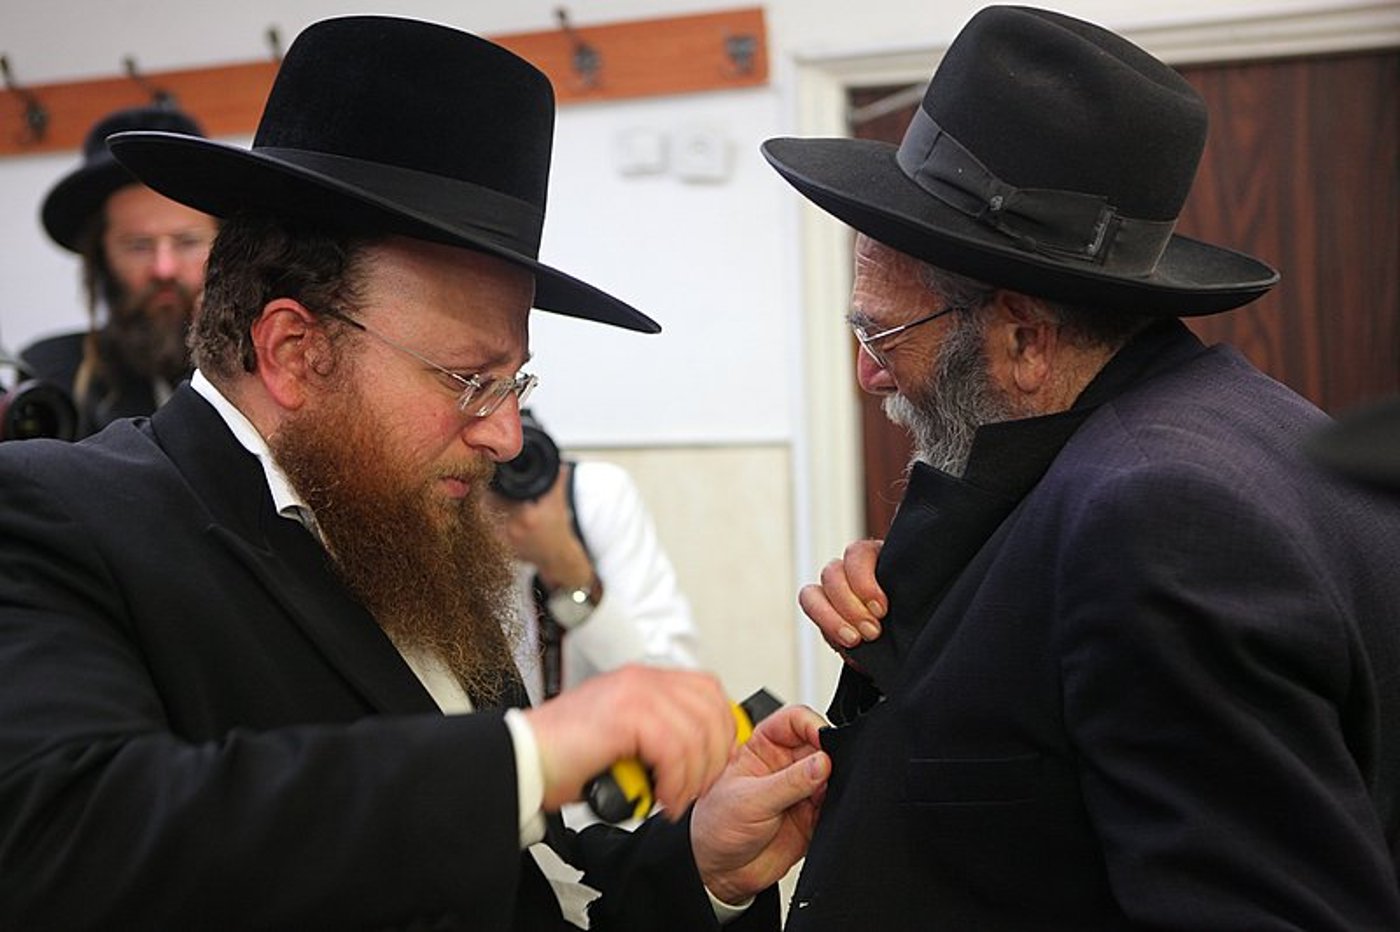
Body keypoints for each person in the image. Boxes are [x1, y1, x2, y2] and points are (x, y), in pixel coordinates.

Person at [0, 16, 828, 930]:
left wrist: (701, 865)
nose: (506, 435)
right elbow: (62, 845)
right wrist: (530, 756)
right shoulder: (58, 514)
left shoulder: (400, 528)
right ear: (294, 351)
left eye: (513, 383)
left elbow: (529, 887)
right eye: (469, 380)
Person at [765, 6, 1400, 928]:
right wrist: (919, 618)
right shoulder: (1190, 444)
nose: (869, 376)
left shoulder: (1162, 516)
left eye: (882, 336)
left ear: (1025, 337)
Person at [20, 104, 218, 437]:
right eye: (138, 246)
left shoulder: (272, 375)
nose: (164, 269)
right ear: (102, 256)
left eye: (187, 242)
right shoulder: (54, 378)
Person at [489, 411, 700, 706]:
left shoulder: (594, 497)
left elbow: (673, 690)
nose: (513, 465)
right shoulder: (445, 511)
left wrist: (570, 571)